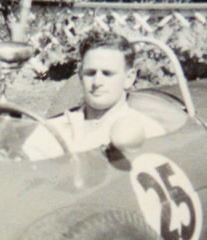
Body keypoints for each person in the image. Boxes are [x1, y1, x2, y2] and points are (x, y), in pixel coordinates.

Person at [23, 31, 164, 159]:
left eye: (107, 73)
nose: (97, 82)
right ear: (80, 76)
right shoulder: (54, 128)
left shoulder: (147, 130)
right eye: (90, 73)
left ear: (129, 78)